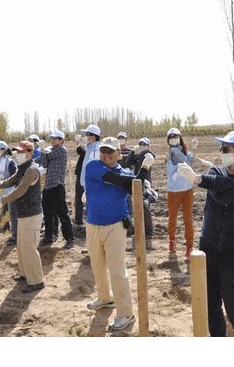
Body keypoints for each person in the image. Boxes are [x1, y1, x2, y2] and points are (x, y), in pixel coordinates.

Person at [177, 131, 234, 337]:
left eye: (226, 149)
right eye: (221, 148)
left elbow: (227, 197)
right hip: (209, 249)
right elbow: (218, 188)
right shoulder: (217, 172)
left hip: (233, 253)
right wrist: (200, 179)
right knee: (212, 307)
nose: (221, 152)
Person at [84, 137, 155, 331]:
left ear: (119, 153)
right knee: (97, 265)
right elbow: (116, 180)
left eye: (110, 151)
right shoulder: (93, 166)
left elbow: (135, 185)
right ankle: (105, 298)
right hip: (92, 225)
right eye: (103, 151)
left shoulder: (125, 172)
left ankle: (126, 313)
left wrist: (144, 182)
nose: (106, 155)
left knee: (117, 271)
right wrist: (144, 169)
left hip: (115, 227)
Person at [0, 141, 45, 294]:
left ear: (30, 153)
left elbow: (20, 190)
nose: (18, 154)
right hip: (23, 213)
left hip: (31, 214)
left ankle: (36, 281)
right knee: (22, 247)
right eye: (17, 151)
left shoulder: (31, 170)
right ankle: (25, 274)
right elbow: (8, 181)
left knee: (29, 248)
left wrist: (3, 200)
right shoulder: (22, 168)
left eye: (22, 152)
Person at [166, 128, 213, 262]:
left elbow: (188, 160)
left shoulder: (181, 150)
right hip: (174, 191)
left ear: (180, 137)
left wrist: (195, 153)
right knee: (174, 218)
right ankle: (173, 241)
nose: (173, 138)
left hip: (187, 189)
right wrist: (200, 160)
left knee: (187, 219)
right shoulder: (174, 151)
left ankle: (188, 246)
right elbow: (189, 162)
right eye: (171, 137)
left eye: (176, 136)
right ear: (168, 140)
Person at [36, 130, 75, 248]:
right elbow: (43, 162)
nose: (52, 140)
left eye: (55, 138)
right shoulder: (50, 151)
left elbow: (44, 160)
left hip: (57, 186)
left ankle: (69, 239)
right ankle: (48, 237)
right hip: (48, 186)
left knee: (63, 214)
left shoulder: (62, 150)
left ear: (61, 140)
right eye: (51, 138)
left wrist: (43, 151)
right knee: (47, 215)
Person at [0, 141, 18, 242]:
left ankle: (15, 236)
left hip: (10, 193)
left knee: (12, 215)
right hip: (1, 193)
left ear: (4, 150)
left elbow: (15, 178)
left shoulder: (9, 162)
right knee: (4, 214)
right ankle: (6, 234)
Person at [79, 124, 101, 189]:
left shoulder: (94, 151)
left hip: (91, 187)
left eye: (87, 135)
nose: (85, 137)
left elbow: (94, 172)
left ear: (94, 137)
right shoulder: (90, 148)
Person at [73, 134, 87, 232]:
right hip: (80, 175)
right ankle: (78, 221)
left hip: (88, 176)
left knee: (87, 199)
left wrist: (79, 144)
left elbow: (81, 151)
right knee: (78, 199)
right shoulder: (85, 148)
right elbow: (79, 151)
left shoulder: (92, 149)